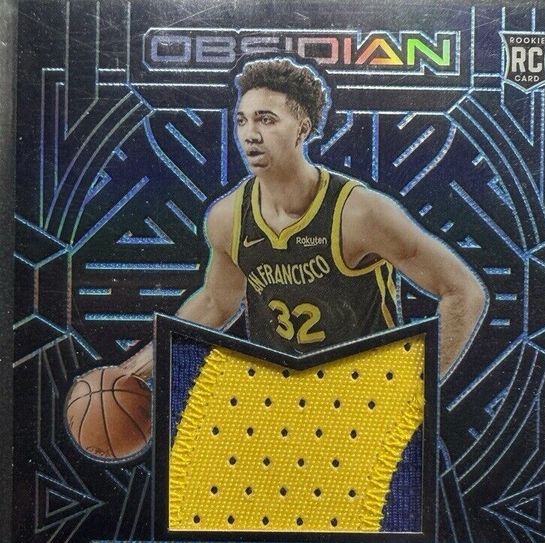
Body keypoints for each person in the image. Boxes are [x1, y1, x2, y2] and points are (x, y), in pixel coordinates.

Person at [123, 57, 487, 380]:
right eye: (242, 120)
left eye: (266, 120)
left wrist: (418, 391)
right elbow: (216, 303)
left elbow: (462, 291)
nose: (250, 134)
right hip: (282, 404)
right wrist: (138, 365)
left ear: (303, 128)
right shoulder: (228, 217)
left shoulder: (359, 213)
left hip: (364, 401)